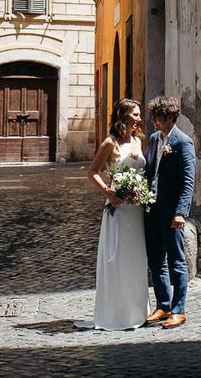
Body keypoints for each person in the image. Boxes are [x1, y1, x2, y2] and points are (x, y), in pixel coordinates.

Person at [82, 97, 149, 330]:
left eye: (139, 115)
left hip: (136, 212)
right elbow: (92, 172)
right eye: (136, 114)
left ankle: (136, 312)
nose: (139, 119)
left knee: (135, 259)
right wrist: (108, 192)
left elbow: (142, 171)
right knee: (118, 259)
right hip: (119, 211)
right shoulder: (110, 143)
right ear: (124, 116)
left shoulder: (138, 140)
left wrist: (142, 191)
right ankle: (116, 314)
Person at [142, 95, 195, 329]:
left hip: (172, 211)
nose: (154, 120)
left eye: (158, 117)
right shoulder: (154, 139)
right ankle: (162, 304)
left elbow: (188, 181)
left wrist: (181, 212)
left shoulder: (183, 142)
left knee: (176, 261)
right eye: (153, 116)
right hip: (151, 209)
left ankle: (179, 309)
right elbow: (149, 171)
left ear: (171, 117)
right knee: (156, 261)